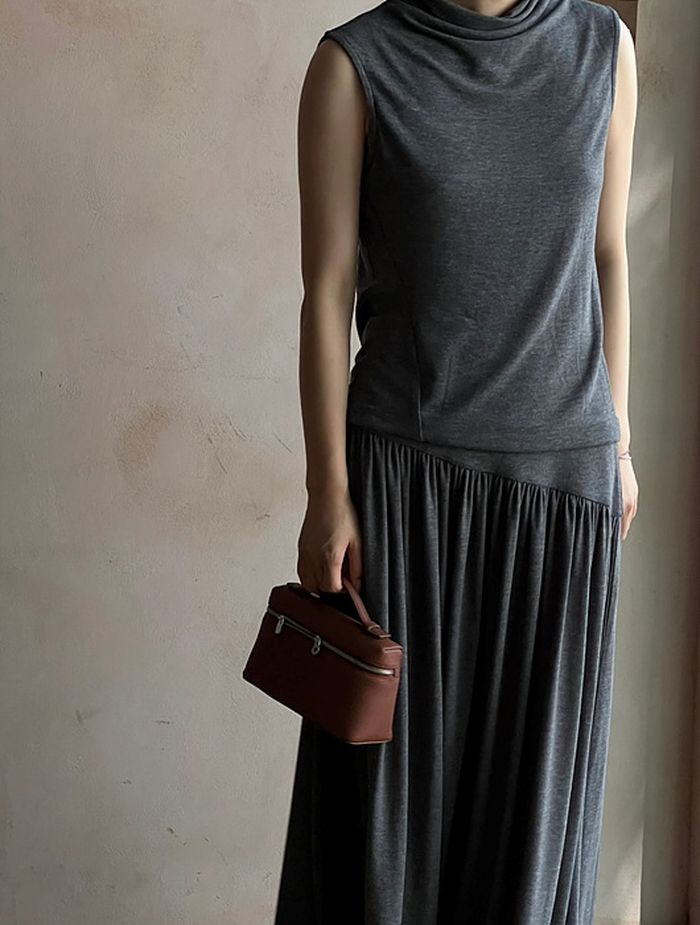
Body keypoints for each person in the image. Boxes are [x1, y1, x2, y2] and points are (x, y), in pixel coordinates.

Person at [274, 0, 639, 921]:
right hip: (409, 493)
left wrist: (619, 437)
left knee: (533, 823)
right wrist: (327, 490)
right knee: (390, 832)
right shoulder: (356, 66)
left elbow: (608, 254)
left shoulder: (603, 48)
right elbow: (326, 292)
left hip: (565, 491)